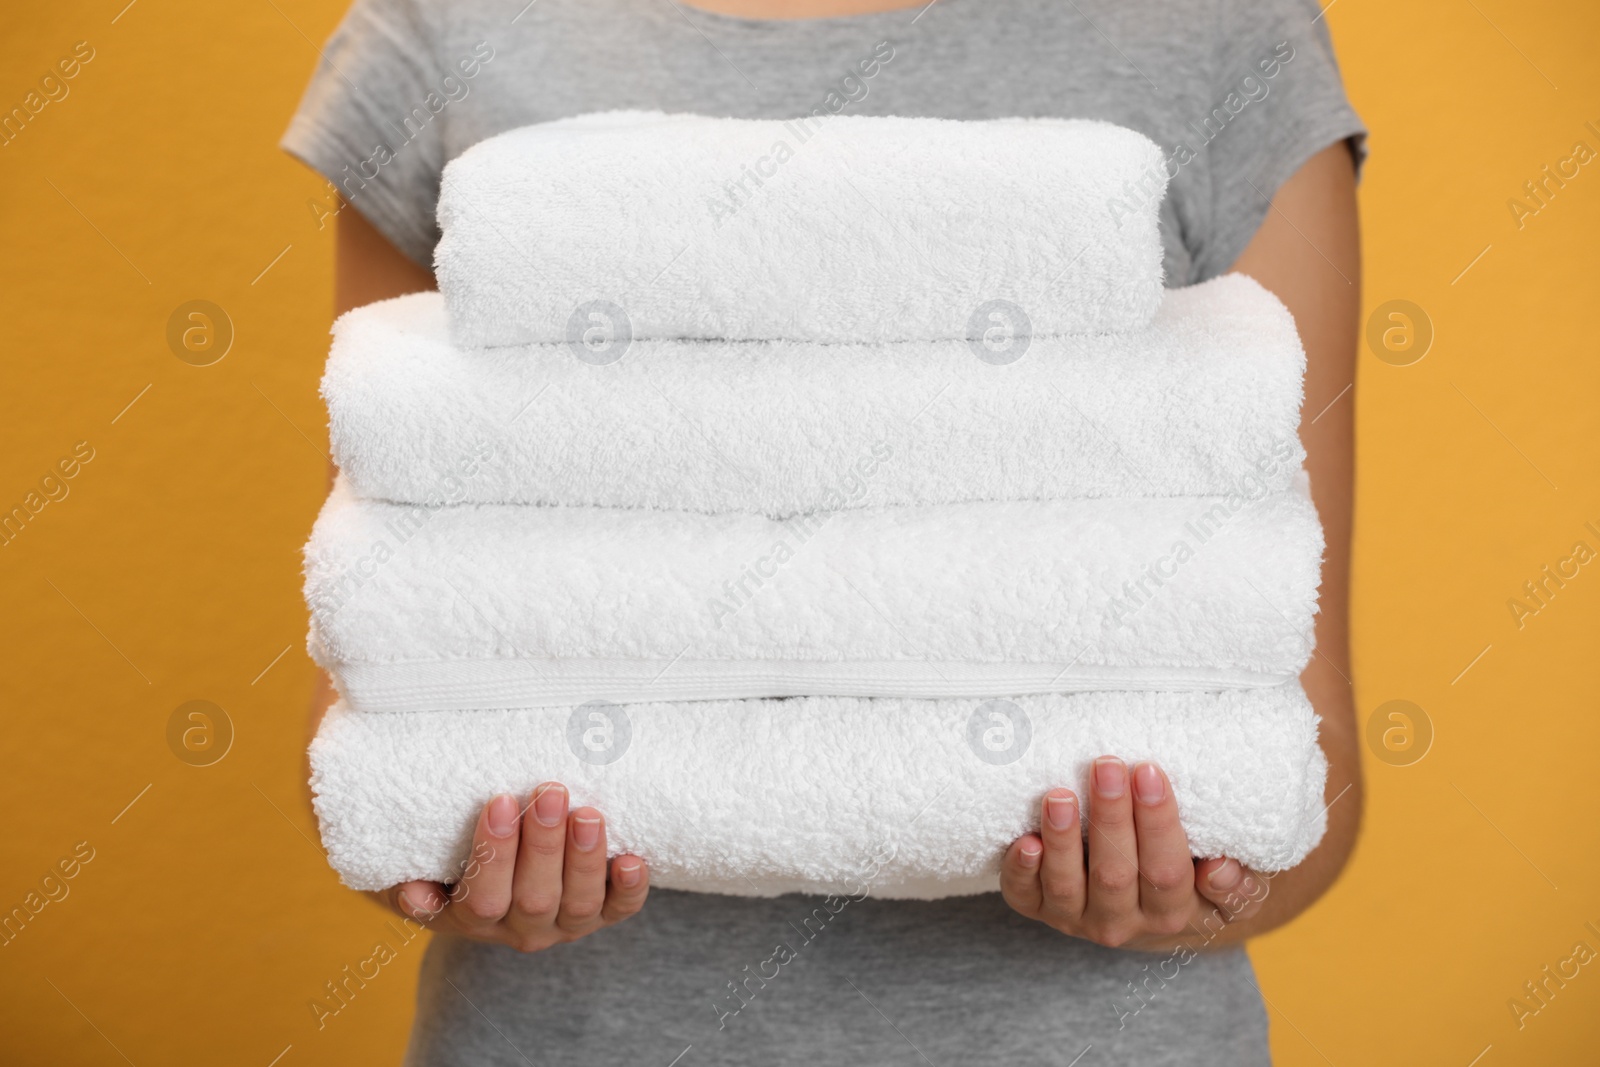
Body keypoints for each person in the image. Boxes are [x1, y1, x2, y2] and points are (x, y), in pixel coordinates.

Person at [285, 0, 1364, 1061]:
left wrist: (1188, 893)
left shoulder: (1218, 26)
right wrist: (445, 865)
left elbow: (1302, 755)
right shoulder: (450, 23)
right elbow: (385, 655)